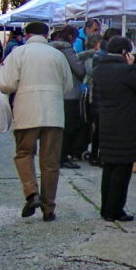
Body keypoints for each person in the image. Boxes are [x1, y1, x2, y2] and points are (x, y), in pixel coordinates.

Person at [0, 21, 73, 221]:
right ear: (47, 35)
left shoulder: (18, 54)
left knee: (24, 153)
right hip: (54, 113)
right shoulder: (58, 56)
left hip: (26, 111)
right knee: (50, 162)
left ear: (27, 34)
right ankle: (49, 208)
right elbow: (67, 86)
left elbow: (6, 84)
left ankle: (31, 192)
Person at [94, 37, 136, 221]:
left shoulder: (99, 69)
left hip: (107, 121)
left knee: (109, 166)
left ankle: (105, 208)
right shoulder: (126, 70)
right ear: (125, 52)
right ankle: (115, 209)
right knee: (123, 168)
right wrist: (134, 67)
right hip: (125, 122)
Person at [51, 25, 87, 169]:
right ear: (71, 37)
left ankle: (58, 155)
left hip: (57, 91)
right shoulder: (66, 49)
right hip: (70, 93)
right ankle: (64, 156)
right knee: (70, 126)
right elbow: (79, 69)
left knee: (60, 126)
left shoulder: (52, 48)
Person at [79, 34, 104, 165]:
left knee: (96, 127)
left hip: (93, 95)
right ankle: (94, 154)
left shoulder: (94, 57)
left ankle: (94, 154)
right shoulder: (91, 57)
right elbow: (91, 72)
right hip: (91, 94)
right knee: (95, 127)